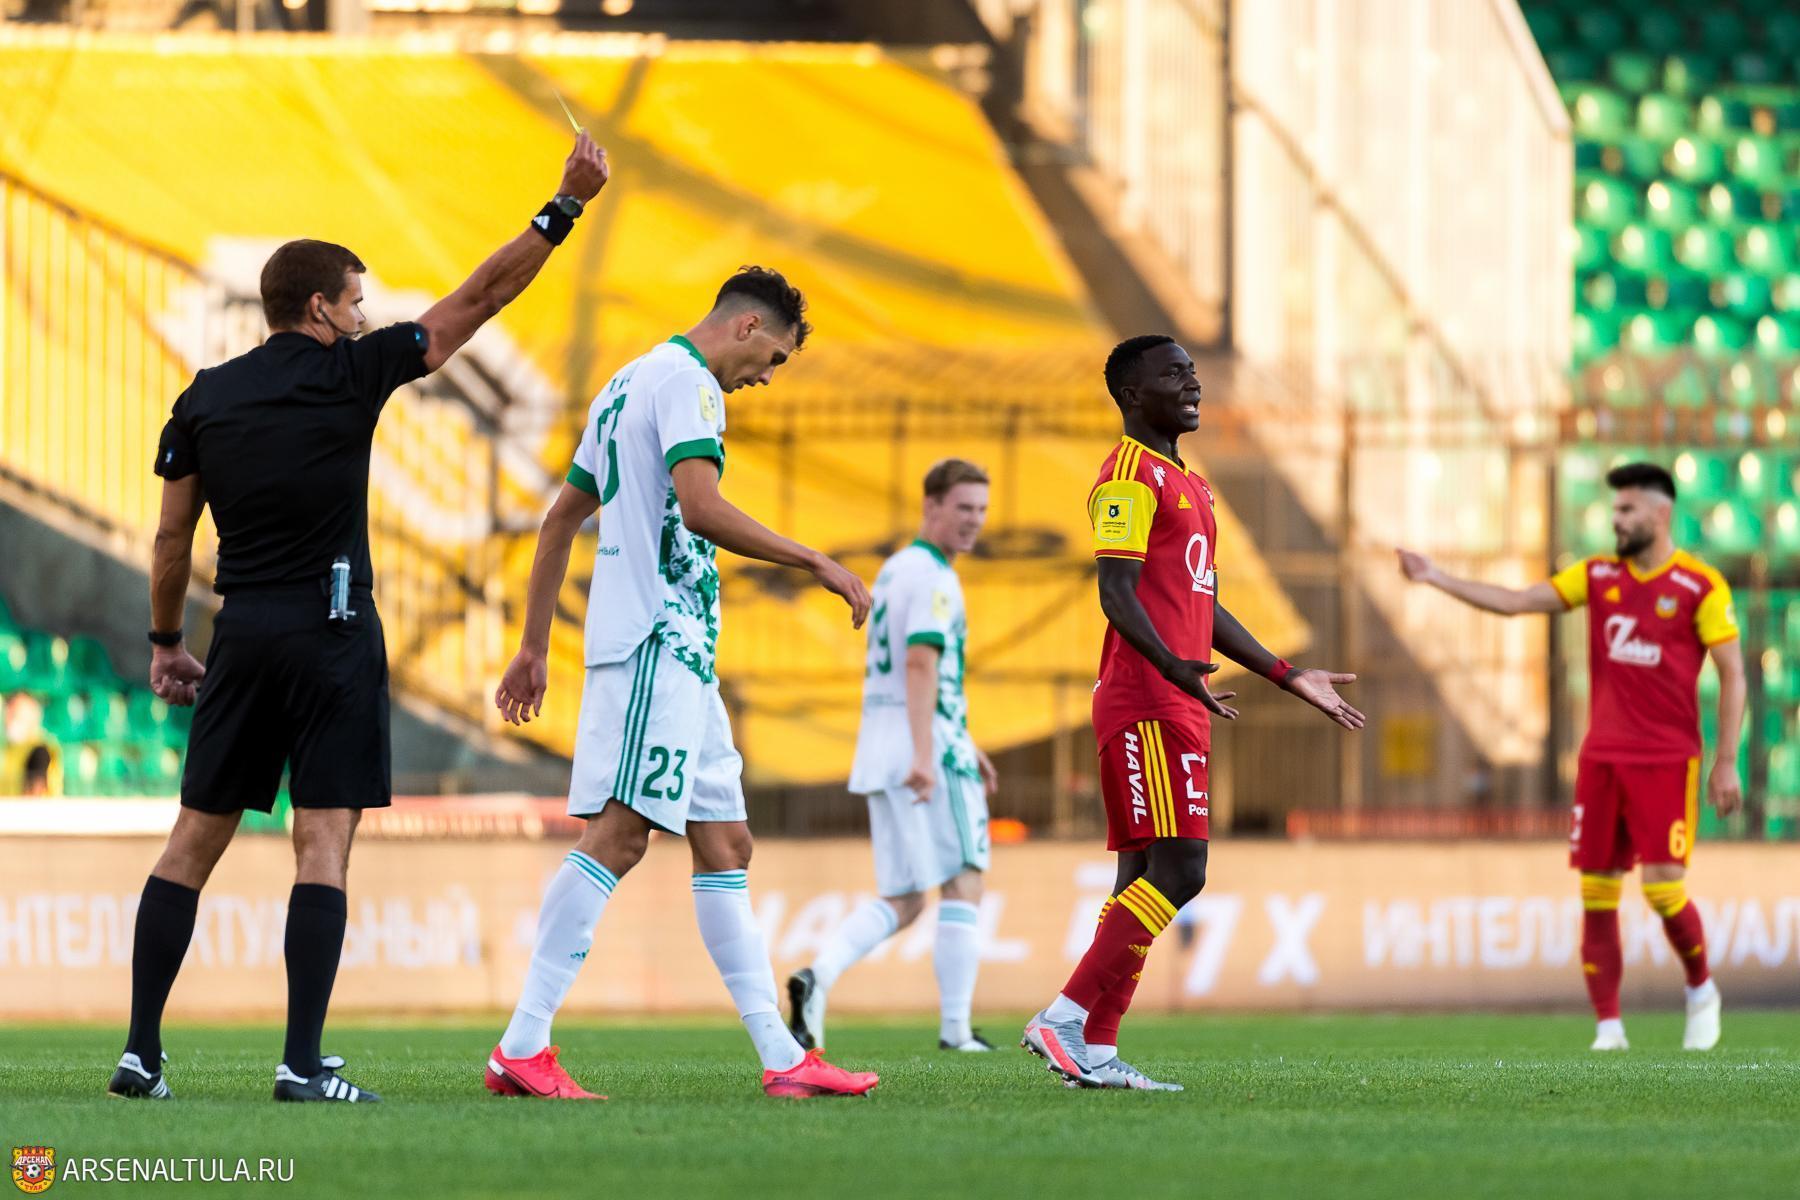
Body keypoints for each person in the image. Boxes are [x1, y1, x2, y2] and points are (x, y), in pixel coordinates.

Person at [108, 132, 611, 1104]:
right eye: (353, 302)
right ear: (318, 309)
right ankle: (300, 1063)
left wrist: (168, 642)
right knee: (322, 846)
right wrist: (564, 207)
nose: (362, 316)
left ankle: (140, 1053)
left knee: (191, 843)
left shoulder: (203, 398)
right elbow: (479, 299)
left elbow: (171, 541)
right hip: (333, 634)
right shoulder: (353, 373)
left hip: (242, 633)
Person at [486, 266, 880, 1100]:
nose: (767, 378)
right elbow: (700, 508)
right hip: (654, 643)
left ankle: (783, 1059)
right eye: (774, 359)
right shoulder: (689, 384)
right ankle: (522, 1044)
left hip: (684, 657)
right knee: (620, 837)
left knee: (727, 845)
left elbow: (561, 521)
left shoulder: (627, 383)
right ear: (747, 327)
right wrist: (814, 559)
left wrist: (534, 645)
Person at [1022, 335, 1364, 1090]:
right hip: (1148, 696)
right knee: (1183, 869)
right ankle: (1063, 1017)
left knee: (1142, 875)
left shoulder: (1191, 484)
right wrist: (1170, 664)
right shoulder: (1127, 478)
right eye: (1173, 373)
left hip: (1176, 692)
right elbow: (1115, 591)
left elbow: (1200, 603)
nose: (1192, 383)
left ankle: (1096, 1047)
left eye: (1193, 372)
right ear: (1131, 393)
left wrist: (1287, 674)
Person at [1397, 461, 1742, 1052]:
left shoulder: (1699, 586)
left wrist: (1726, 760)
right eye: (1614, 510)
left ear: (1660, 514)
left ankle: (1700, 989)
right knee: (1597, 893)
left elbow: (1733, 673)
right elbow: (1515, 602)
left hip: (1666, 759)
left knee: (1663, 891)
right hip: (1602, 758)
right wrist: (1436, 577)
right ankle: (1608, 1028)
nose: (1617, 519)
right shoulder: (1598, 575)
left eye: (1627, 510)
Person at [787, 458, 999, 1054]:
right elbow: (920, 662)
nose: (974, 521)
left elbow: (911, 672)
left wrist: (961, 739)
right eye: (963, 508)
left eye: (982, 510)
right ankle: (956, 1031)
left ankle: (817, 976)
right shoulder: (934, 577)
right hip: (925, 751)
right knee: (964, 881)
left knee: (904, 899)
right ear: (931, 506)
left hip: (882, 746)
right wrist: (931, 753)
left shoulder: (896, 569)